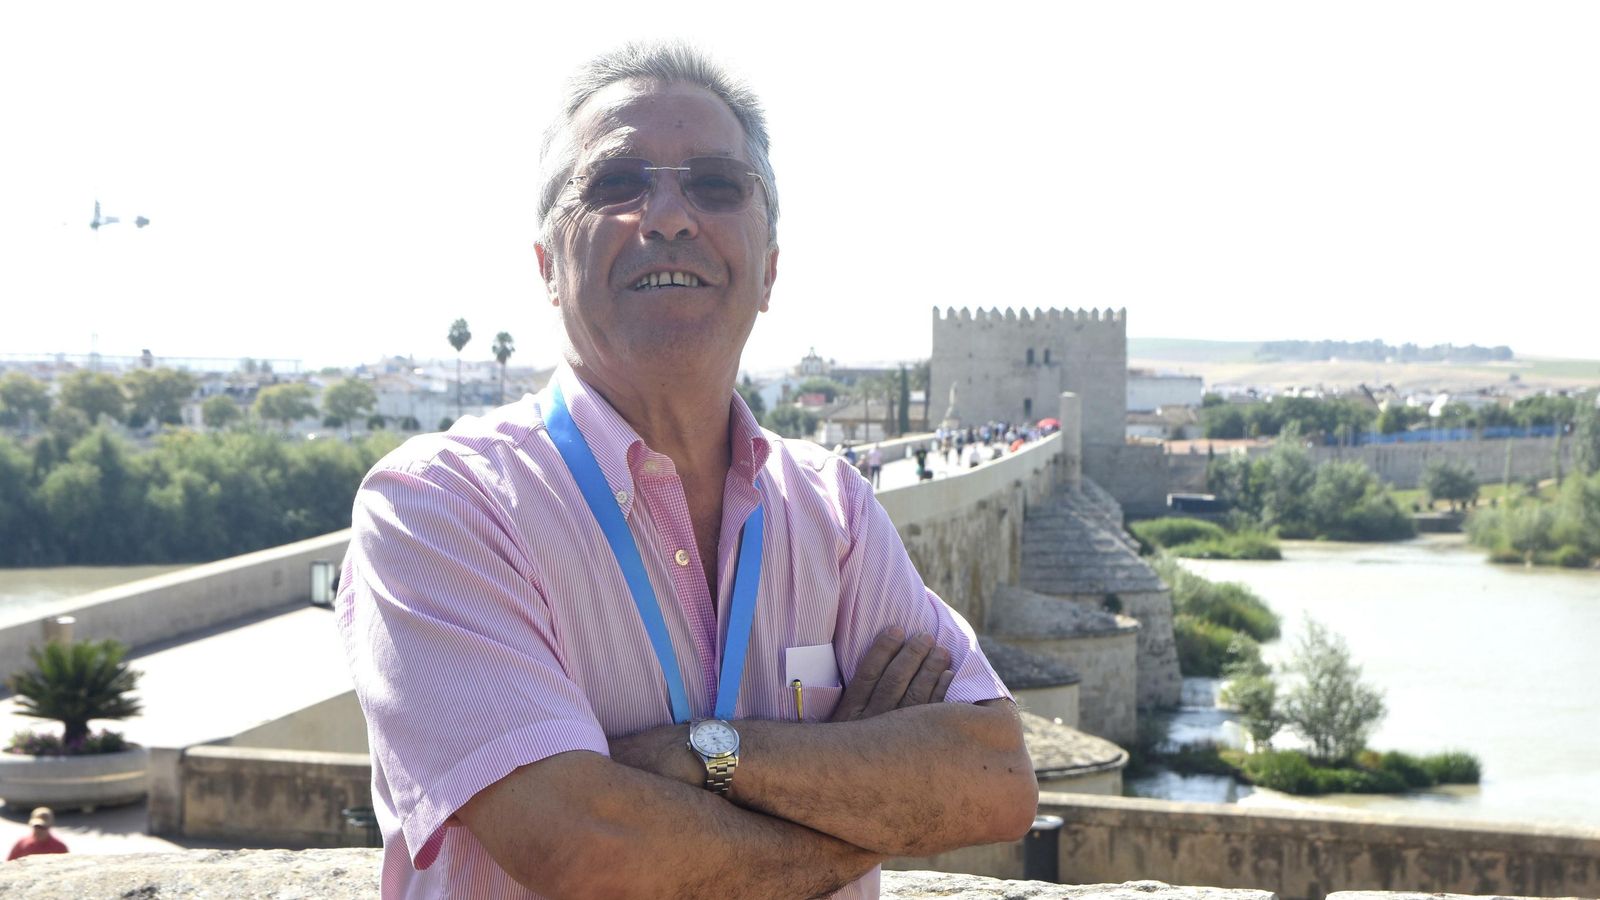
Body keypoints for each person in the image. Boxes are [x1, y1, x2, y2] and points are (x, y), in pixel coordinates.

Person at [337, 42, 1036, 899]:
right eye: (616, 183)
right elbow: (589, 850)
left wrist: (696, 756)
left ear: (769, 269)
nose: (667, 217)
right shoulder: (443, 507)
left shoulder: (834, 511)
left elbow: (996, 780)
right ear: (548, 267)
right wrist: (857, 813)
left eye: (714, 185)